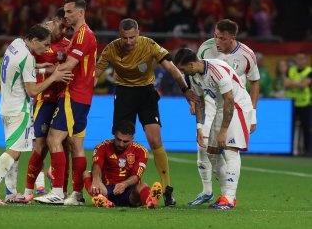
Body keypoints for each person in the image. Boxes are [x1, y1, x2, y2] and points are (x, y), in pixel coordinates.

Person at [95, 18, 199, 206]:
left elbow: (172, 69)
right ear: (120, 35)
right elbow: (94, 74)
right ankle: (117, 186)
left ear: (138, 33)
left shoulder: (149, 45)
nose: (128, 42)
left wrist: (185, 90)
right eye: (125, 38)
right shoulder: (111, 49)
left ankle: (167, 190)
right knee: (120, 142)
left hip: (146, 93)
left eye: (132, 37)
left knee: (155, 140)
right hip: (124, 93)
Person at [0, 24, 73, 205]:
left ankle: (11, 193)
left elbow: (19, 68)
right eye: (45, 45)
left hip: (5, 107)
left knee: (16, 150)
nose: (47, 49)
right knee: (14, 152)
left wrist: (41, 68)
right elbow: (32, 91)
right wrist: (53, 77)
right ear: (35, 40)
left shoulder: (15, 45)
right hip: (18, 110)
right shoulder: (28, 58)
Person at [188, 19, 260, 206]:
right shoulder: (205, 48)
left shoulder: (247, 55)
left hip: (234, 104)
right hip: (211, 102)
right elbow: (196, 72)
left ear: (232, 38)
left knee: (230, 148)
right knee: (204, 145)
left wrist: (253, 113)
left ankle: (229, 195)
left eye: (221, 38)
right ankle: (208, 191)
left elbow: (254, 82)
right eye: (215, 36)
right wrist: (196, 101)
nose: (216, 41)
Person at [34, 0, 97, 205]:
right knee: (75, 144)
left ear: (80, 12)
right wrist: (42, 69)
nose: (67, 16)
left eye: (69, 12)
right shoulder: (80, 35)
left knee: (53, 139)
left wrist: (45, 73)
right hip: (83, 96)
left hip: (74, 94)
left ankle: (58, 191)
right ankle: (77, 195)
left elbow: (68, 65)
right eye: (65, 12)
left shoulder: (82, 35)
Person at [175, 48, 253, 209]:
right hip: (220, 108)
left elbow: (230, 101)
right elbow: (199, 102)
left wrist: (223, 132)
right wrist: (199, 128)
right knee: (212, 152)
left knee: (231, 149)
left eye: (183, 69)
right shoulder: (195, 76)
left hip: (237, 107)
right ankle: (225, 196)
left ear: (191, 64)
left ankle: (230, 198)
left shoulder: (217, 70)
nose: (182, 72)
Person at [22, 7, 72, 198]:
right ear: (54, 20)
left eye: (68, 29)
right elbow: (25, 67)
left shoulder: (68, 44)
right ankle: (28, 191)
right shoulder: (39, 39)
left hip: (63, 99)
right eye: (62, 26)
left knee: (64, 145)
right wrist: (47, 70)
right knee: (40, 146)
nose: (64, 32)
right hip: (43, 99)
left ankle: (62, 191)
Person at [83, 120, 163, 209]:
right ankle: (102, 199)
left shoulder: (141, 151)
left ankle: (150, 201)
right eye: (118, 139)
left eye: (125, 141)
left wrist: (124, 184)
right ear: (114, 134)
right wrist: (96, 179)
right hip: (107, 191)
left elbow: (136, 176)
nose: (121, 144)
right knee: (87, 174)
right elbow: (96, 166)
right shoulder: (102, 147)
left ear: (132, 138)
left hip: (129, 192)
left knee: (142, 186)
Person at [285, 53, 312, 155]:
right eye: (298, 58)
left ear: (306, 60)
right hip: (291, 104)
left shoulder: (309, 71)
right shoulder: (290, 70)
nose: (300, 60)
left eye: (302, 58)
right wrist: (299, 83)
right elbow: (286, 84)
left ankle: (308, 150)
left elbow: (304, 85)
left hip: (305, 103)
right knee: (290, 128)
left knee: (307, 128)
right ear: (296, 60)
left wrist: (293, 83)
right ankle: (290, 150)